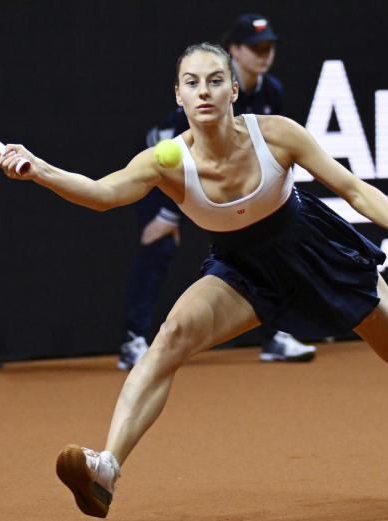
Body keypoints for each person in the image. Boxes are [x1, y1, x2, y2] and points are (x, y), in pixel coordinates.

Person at [0, 43, 388, 518]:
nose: (204, 92)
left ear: (234, 89)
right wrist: (36, 168)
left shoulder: (278, 133)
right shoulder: (167, 160)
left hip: (316, 253)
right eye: (191, 83)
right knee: (170, 339)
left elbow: (353, 189)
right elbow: (101, 194)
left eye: (215, 80)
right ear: (178, 96)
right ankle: (107, 469)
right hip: (243, 273)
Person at [119, 13, 316, 371]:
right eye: (256, 48)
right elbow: (178, 160)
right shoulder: (207, 96)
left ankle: (274, 337)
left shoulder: (271, 91)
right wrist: (166, 215)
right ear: (235, 51)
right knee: (160, 245)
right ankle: (133, 340)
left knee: (270, 243)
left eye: (269, 47)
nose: (264, 54)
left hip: (225, 178)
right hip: (166, 174)